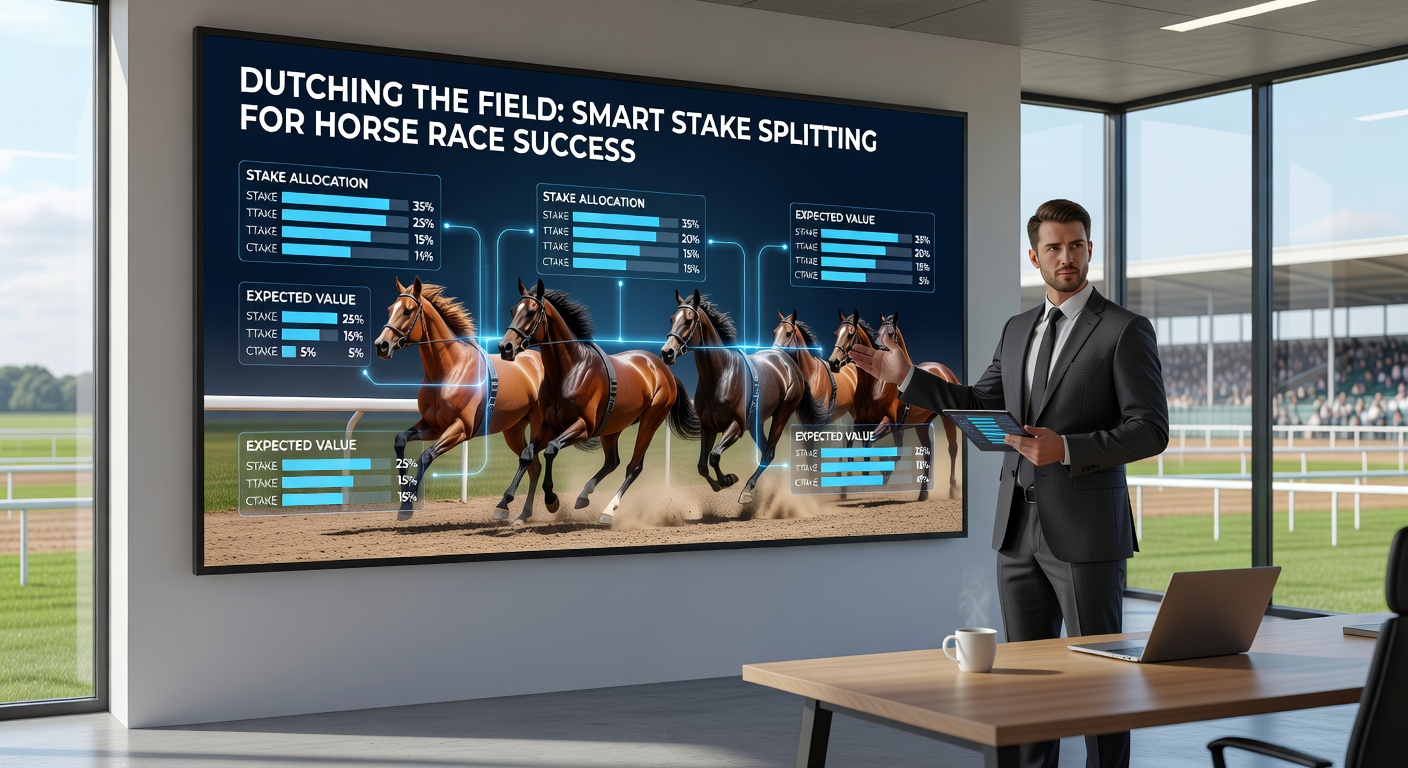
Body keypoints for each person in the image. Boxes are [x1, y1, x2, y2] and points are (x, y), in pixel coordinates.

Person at [849, 199, 1168, 768]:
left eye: (1076, 245)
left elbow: (1151, 430)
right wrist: (908, 379)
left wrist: (1067, 448)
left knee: (1099, 681)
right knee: (1025, 684)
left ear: (1090, 249)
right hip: (1016, 530)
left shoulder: (1124, 330)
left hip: (1087, 534)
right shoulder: (1017, 330)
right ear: (1034, 257)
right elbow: (977, 402)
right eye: (1054, 247)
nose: (1066, 257)